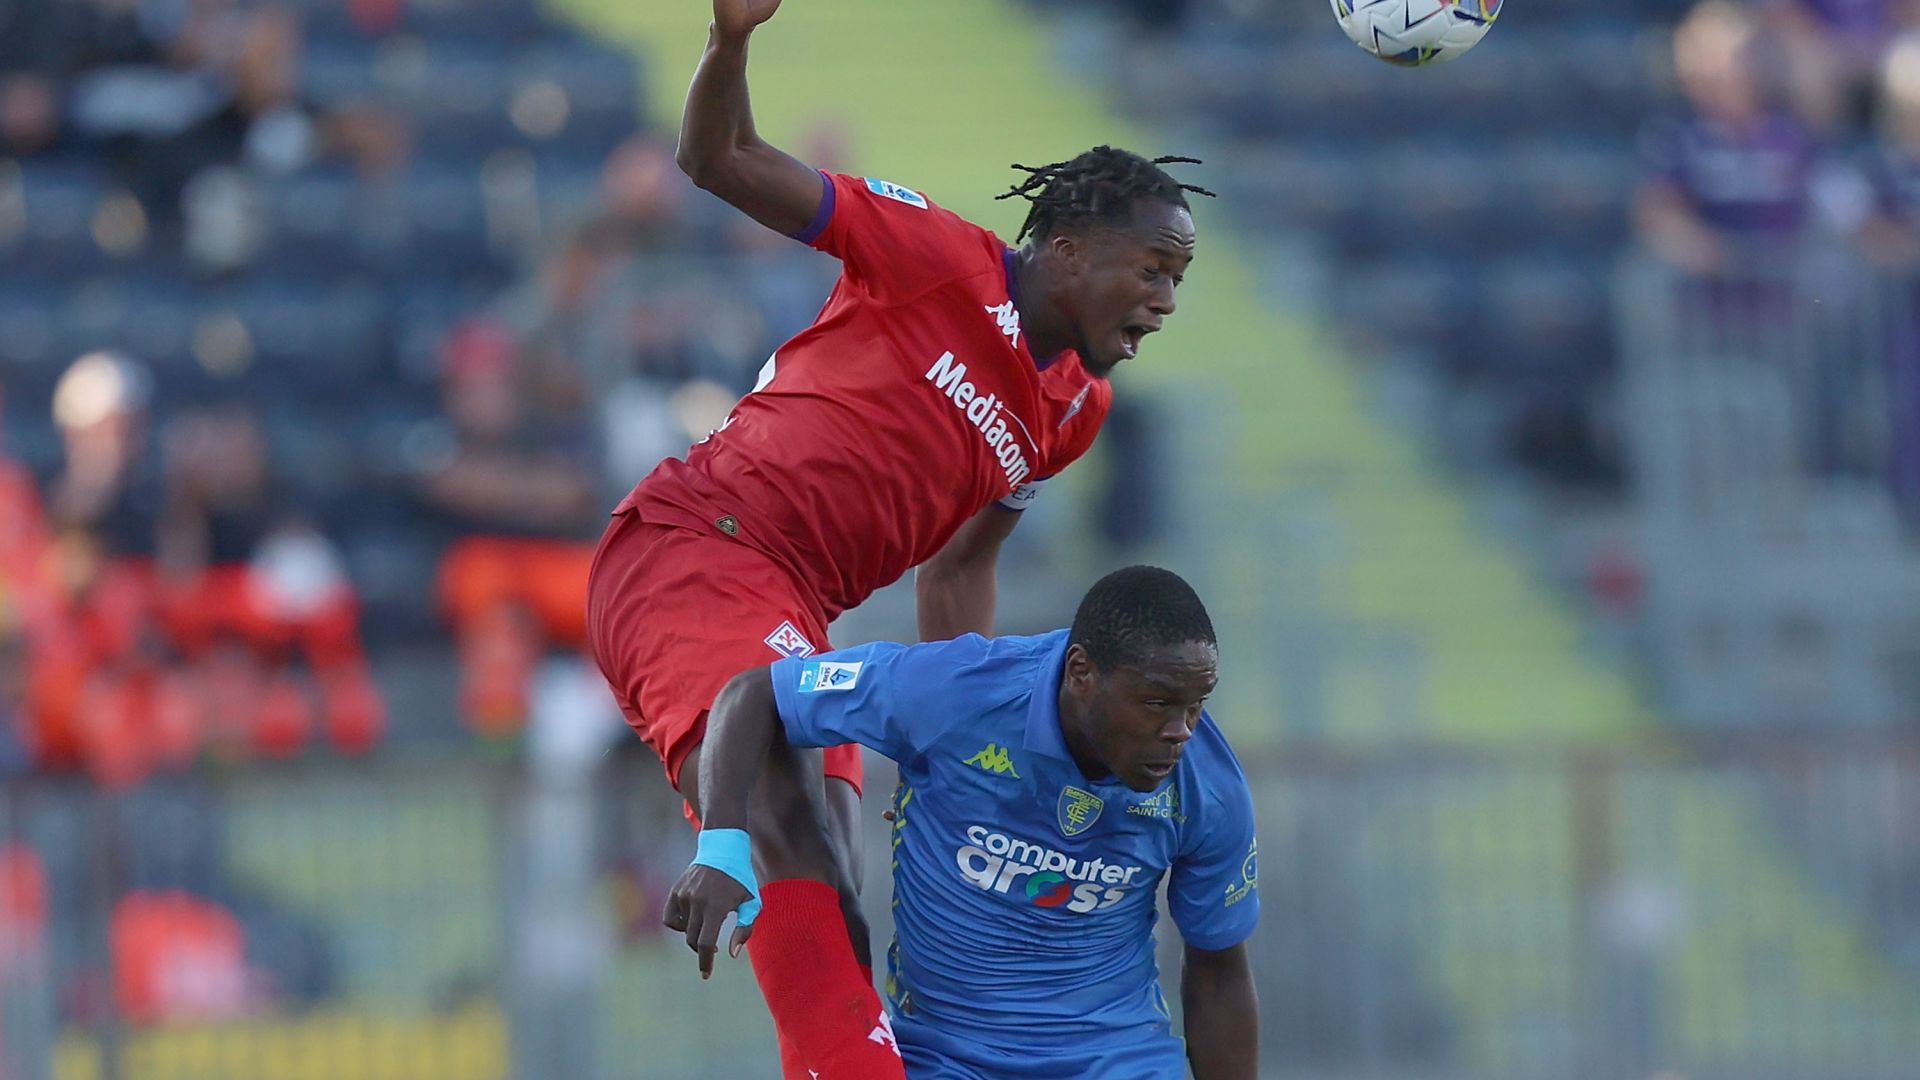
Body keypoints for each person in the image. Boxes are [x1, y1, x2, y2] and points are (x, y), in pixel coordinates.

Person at [584, 0, 1209, 1073]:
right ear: (1064, 248)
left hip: (793, 609)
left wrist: (948, 729)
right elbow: (718, 156)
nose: (1161, 301)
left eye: (1176, 281)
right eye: (1148, 268)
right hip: (696, 547)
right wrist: (729, 41)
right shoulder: (934, 256)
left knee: (835, 887)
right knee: (778, 811)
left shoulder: (1072, 410)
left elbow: (962, 564)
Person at [665, 565, 1260, 1079]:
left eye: (1196, 704)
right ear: (1081, 673)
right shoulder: (956, 691)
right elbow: (755, 694)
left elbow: (1219, 974)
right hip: (950, 1059)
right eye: (1157, 703)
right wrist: (721, 846)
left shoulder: (1209, 786)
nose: (1181, 729)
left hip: (1117, 1061)